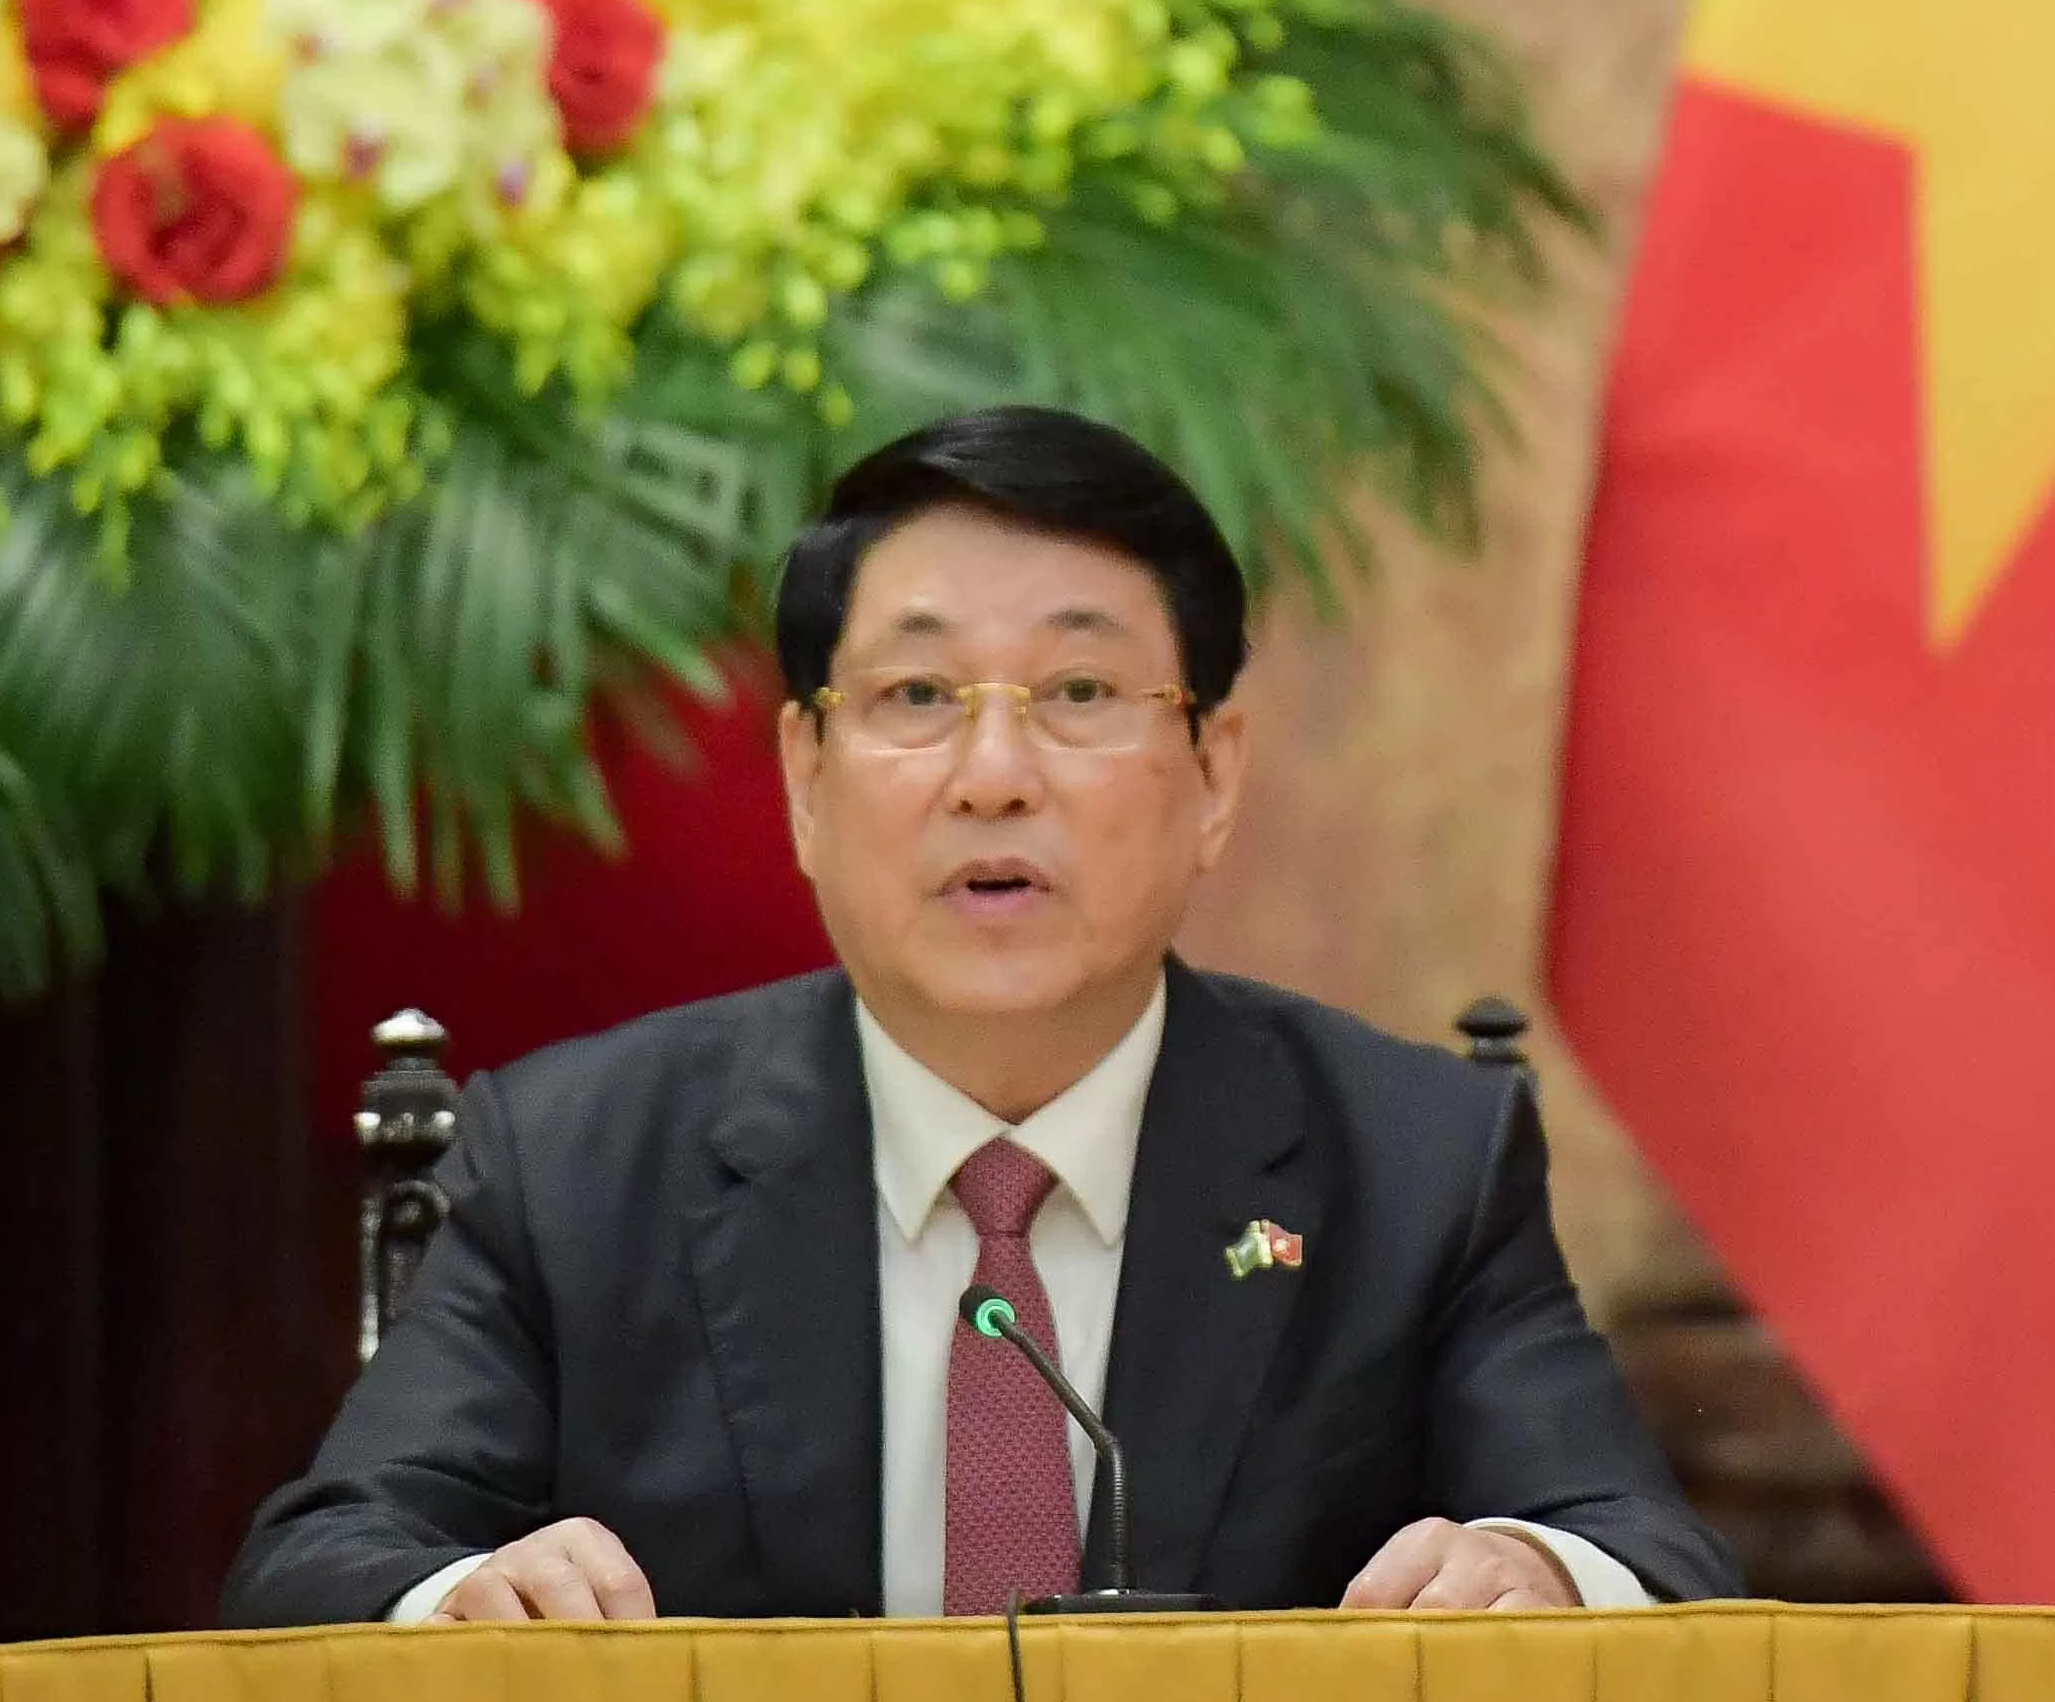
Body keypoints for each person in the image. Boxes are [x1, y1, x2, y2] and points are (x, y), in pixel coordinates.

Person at [222, 407, 1737, 1623]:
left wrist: (1540, 1576)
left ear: (1214, 775)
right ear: (807, 783)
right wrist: (467, 1598)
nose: (992, 775)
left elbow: (1641, 1553)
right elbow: (326, 1562)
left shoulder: (1414, 1167)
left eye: (1078, 693)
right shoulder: (572, 1164)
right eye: (917, 697)